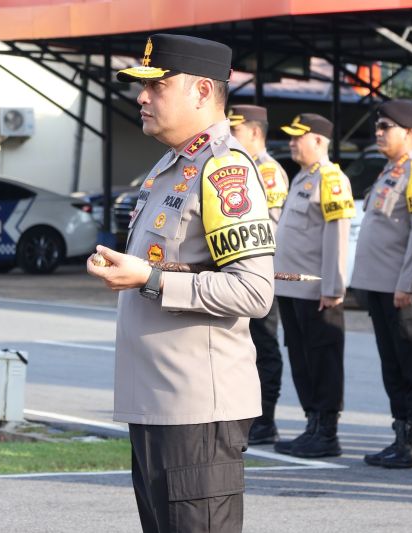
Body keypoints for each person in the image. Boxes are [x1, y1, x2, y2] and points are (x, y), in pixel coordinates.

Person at [86, 34, 275, 532]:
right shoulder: (172, 166)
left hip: (195, 411)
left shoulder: (224, 168)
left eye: (157, 86)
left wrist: (148, 278)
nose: (142, 97)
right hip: (156, 404)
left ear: (202, 91)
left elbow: (254, 291)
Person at [350, 100, 412, 469]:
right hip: (380, 286)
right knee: (393, 364)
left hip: (402, 289)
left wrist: (409, 283)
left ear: (409, 132)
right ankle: (401, 436)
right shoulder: (390, 171)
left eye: (386, 127)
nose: (379, 133)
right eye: (378, 126)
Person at [270, 113, 353, 458]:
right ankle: (312, 426)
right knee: (303, 360)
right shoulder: (302, 177)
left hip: (317, 291)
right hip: (292, 289)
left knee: (323, 361)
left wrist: (333, 287)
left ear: (318, 141)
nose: (291, 143)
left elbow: (337, 236)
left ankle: (327, 432)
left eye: (297, 137)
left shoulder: (331, 179)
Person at [228, 104, 289, 445]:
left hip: (261, 274)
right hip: (238, 275)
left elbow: (271, 228)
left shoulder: (267, 171)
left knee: (264, 347)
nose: (230, 135)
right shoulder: (240, 166)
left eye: (235, 130)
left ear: (254, 132)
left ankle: (266, 419)